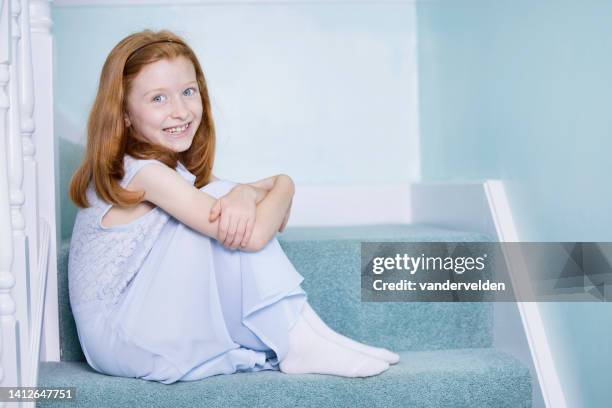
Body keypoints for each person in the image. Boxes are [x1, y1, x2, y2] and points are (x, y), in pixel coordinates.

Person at [67, 29, 399, 385]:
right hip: (121, 338)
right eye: (158, 99)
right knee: (221, 201)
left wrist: (254, 190)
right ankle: (299, 340)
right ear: (126, 114)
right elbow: (252, 236)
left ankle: (310, 334)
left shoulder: (166, 172)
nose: (180, 110)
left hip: (137, 325)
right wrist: (281, 186)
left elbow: (243, 204)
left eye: (188, 92)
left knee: (221, 197)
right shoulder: (143, 172)